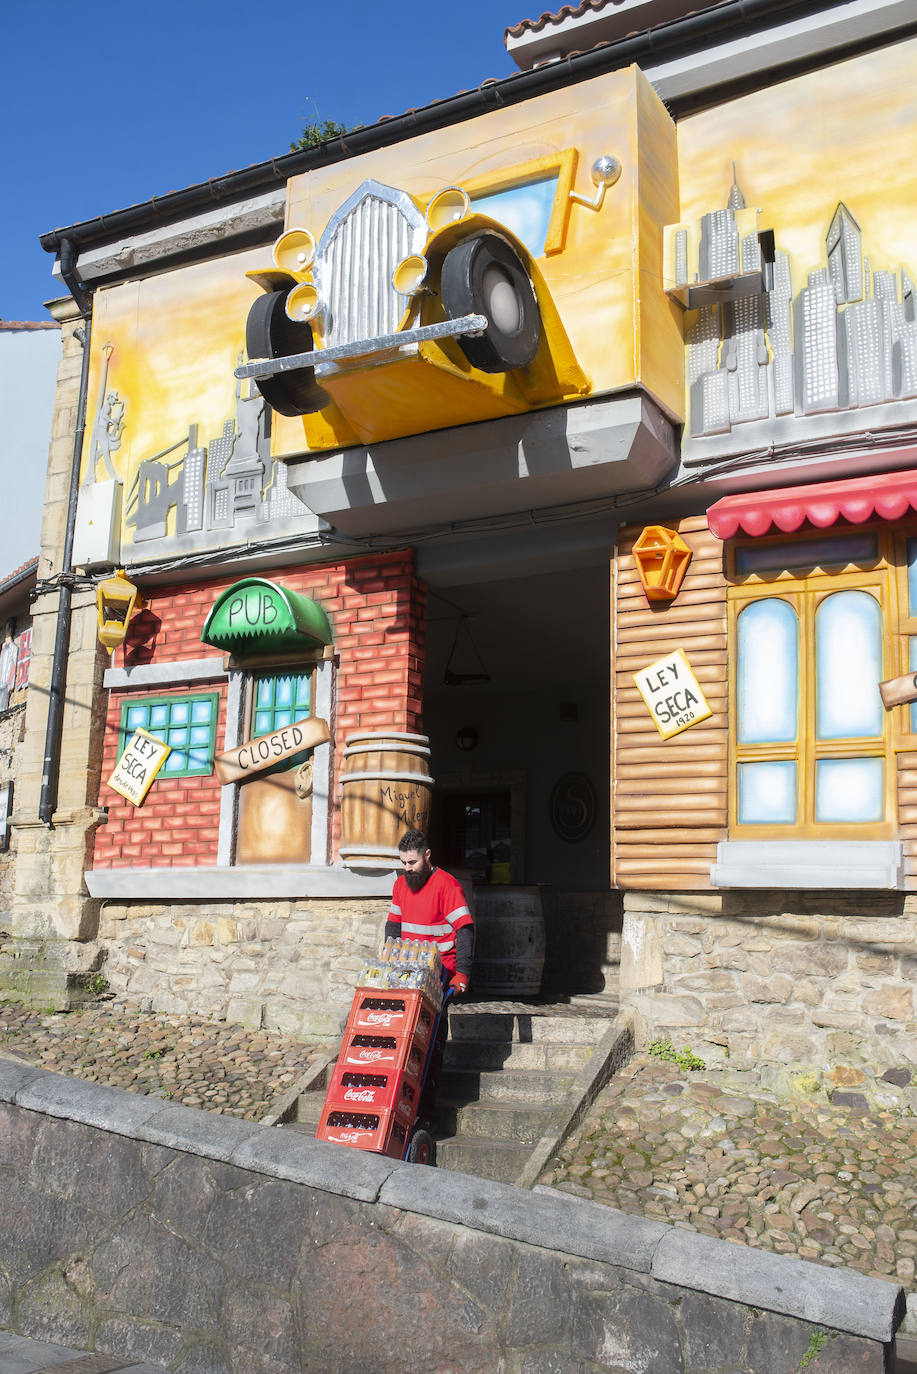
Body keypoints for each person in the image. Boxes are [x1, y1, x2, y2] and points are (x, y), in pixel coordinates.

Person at [385, 829, 474, 996]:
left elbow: (465, 929)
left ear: (427, 855)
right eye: (403, 862)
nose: (407, 868)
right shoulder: (400, 885)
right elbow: (393, 926)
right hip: (408, 970)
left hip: (441, 971)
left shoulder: (447, 885)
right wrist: (389, 960)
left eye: (412, 862)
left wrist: (462, 973)